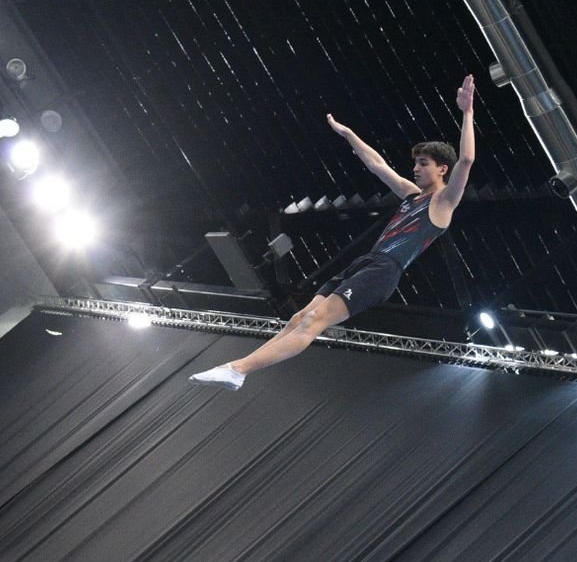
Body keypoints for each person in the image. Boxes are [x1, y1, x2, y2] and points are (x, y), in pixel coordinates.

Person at [190, 75, 476, 390]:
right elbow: (377, 164)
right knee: (299, 318)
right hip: (367, 262)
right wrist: (349, 134)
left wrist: (467, 112)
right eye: (415, 164)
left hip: (384, 271)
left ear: (442, 169)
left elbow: (466, 159)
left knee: (314, 322)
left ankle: (238, 369)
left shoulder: (444, 203)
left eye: (423, 164)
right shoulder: (411, 195)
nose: (416, 169)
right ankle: (237, 369)